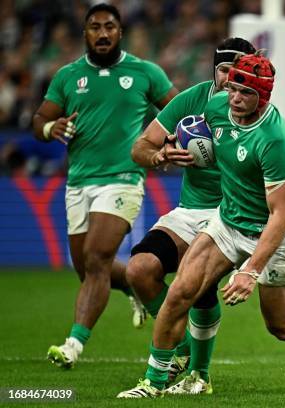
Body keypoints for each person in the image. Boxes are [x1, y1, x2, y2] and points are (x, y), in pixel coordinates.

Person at [118, 52, 285, 398]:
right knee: (181, 291)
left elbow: (280, 214)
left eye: (245, 93)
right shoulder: (216, 109)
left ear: (264, 96)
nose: (235, 98)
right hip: (228, 222)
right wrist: (172, 148)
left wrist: (250, 271)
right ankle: (152, 384)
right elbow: (201, 143)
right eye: (232, 89)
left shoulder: (276, 141)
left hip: (277, 233)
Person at [32, 3, 178, 369]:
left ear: (120, 32)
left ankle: (73, 345)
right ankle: (133, 285)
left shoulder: (145, 72)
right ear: (85, 33)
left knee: (96, 258)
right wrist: (52, 128)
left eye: (109, 26)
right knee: (87, 268)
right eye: (94, 27)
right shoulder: (68, 76)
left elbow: (178, 109)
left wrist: (169, 143)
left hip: (123, 178)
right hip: (79, 181)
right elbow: (40, 119)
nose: (102, 33)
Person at [122, 37, 255, 393]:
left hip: (232, 214)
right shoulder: (190, 100)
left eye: (239, 72)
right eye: (225, 70)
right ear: (215, 70)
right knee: (139, 270)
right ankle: (179, 347)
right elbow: (140, 146)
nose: (231, 79)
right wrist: (159, 156)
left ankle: (199, 374)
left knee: (199, 284)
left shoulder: (256, 109)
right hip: (191, 209)